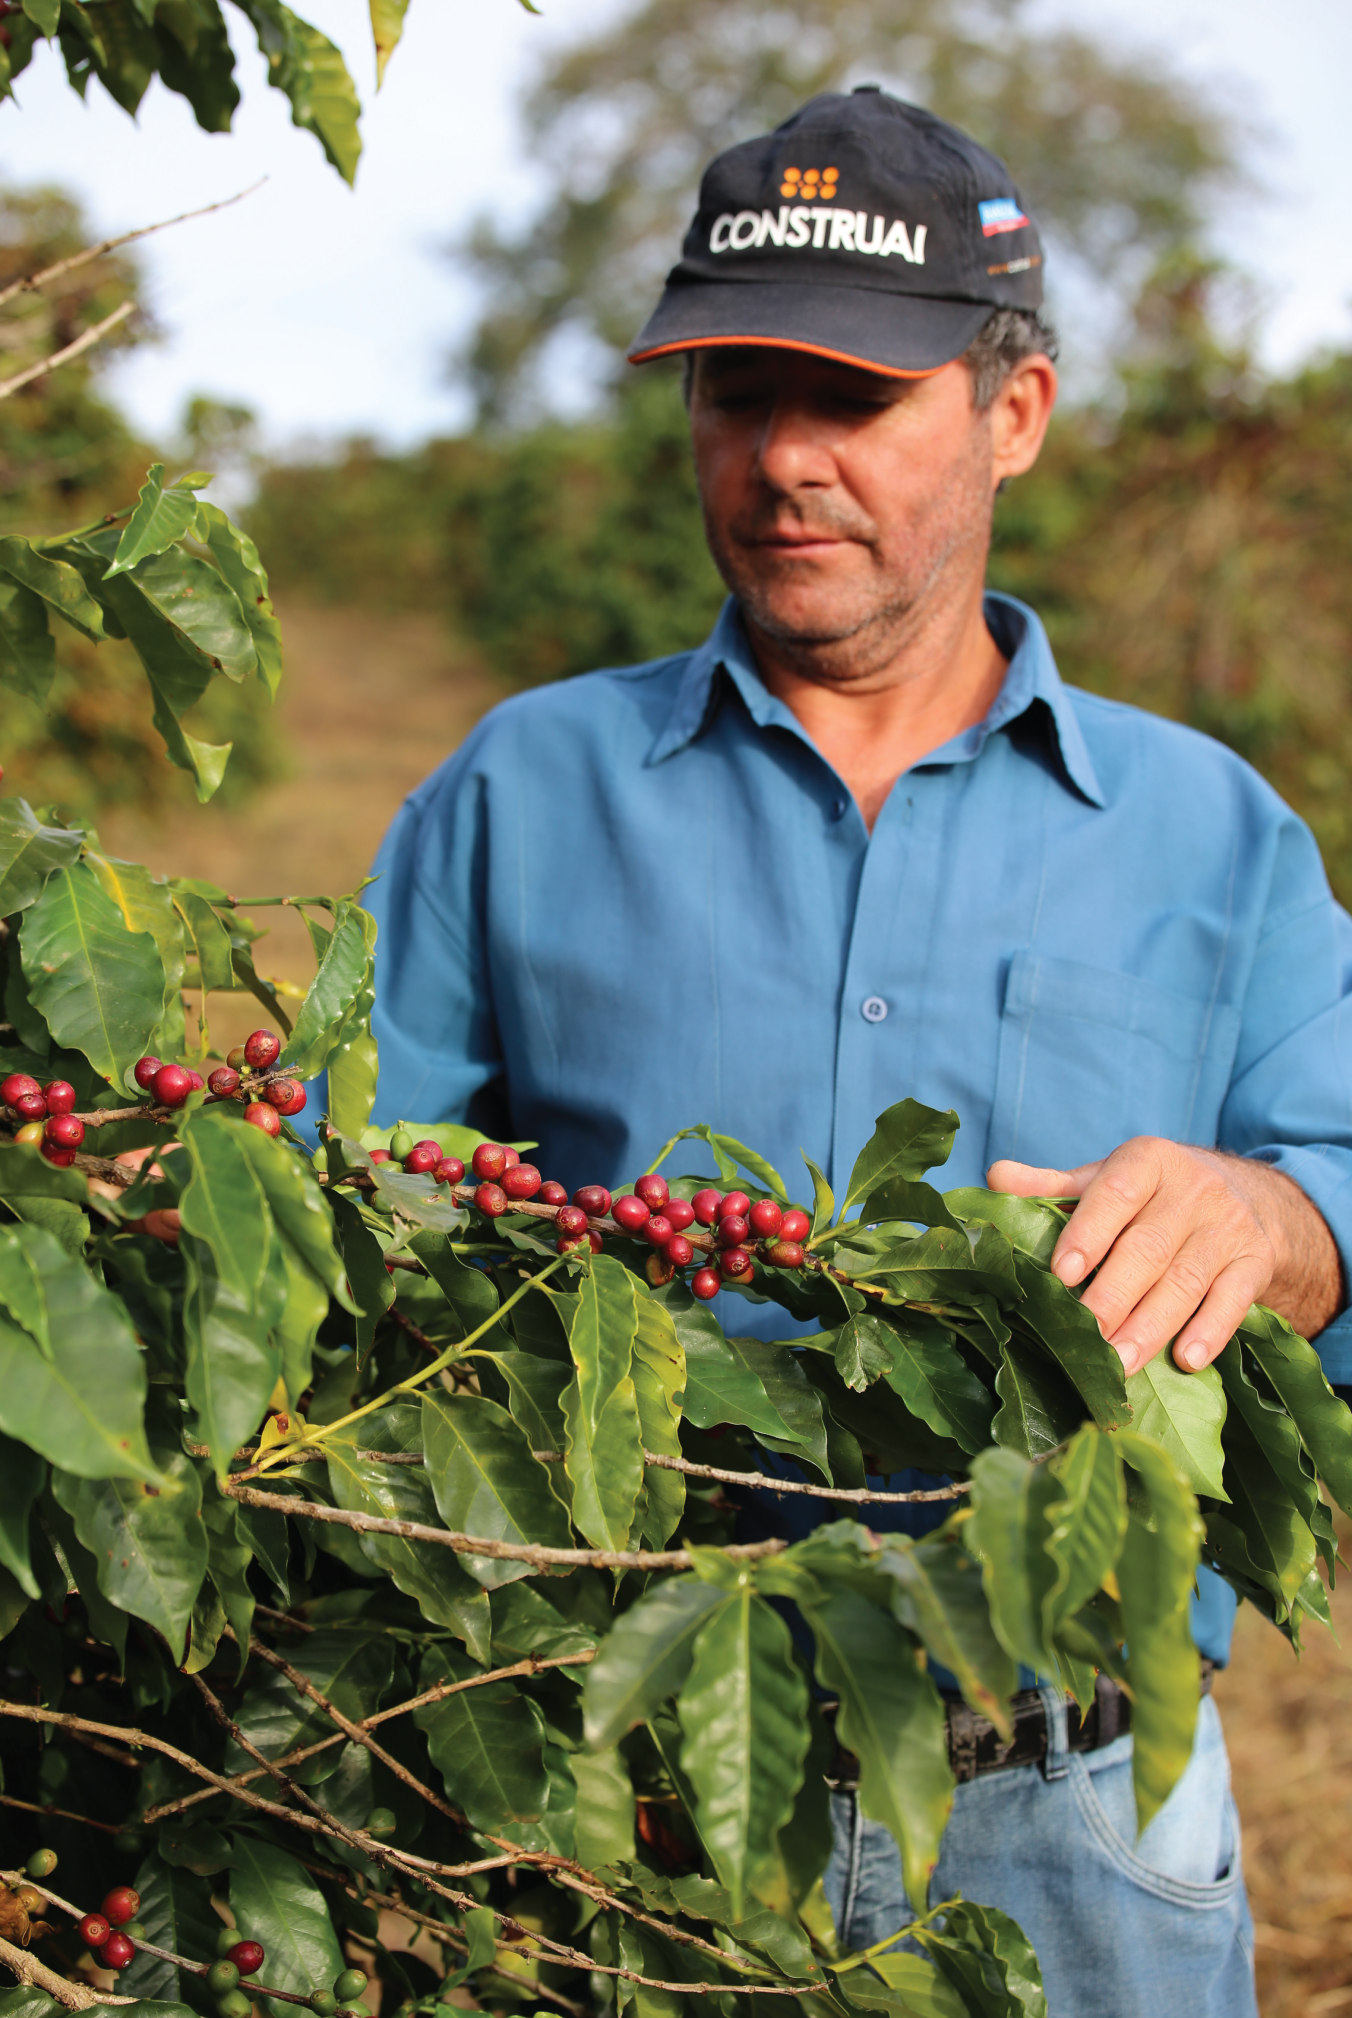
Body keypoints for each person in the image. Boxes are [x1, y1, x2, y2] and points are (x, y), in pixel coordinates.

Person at [367, 87, 1352, 2017]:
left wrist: (1275, 1219)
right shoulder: (521, 792)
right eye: (739, 397)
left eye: (858, 398)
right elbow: (358, 1224)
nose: (787, 461)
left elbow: (1343, 1183)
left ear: (1015, 413)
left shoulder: (1213, 835)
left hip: (1069, 1814)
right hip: (626, 1790)